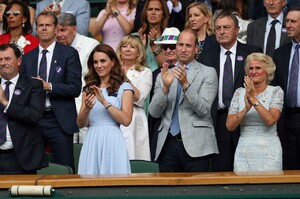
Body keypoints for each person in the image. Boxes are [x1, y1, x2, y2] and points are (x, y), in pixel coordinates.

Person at [198, 11, 262, 172]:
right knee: (221, 171)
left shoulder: (252, 52)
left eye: (226, 27)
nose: (221, 31)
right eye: (218, 28)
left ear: (237, 30)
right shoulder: (206, 57)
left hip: (246, 119)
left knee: (248, 169)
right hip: (218, 120)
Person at [148, 28, 219, 172]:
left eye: (188, 45)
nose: (183, 49)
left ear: (196, 48)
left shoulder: (208, 72)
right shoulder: (164, 73)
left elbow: (204, 109)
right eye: (180, 45)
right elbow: (153, 112)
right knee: (168, 193)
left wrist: (186, 85)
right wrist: (165, 88)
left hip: (197, 145)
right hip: (167, 144)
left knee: (195, 193)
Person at [20, 11, 82, 173]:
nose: (44, 29)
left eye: (48, 25)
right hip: (34, 120)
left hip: (59, 121)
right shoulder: (27, 57)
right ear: (36, 29)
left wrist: (49, 86)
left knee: (65, 169)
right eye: (41, 25)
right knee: (32, 170)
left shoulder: (69, 53)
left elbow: (75, 88)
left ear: (56, 29)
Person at [77, 44, 133, 175]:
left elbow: (126, 120)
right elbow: (80, 124)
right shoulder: (89, 88)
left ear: (113, 62)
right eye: (95, 62)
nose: (99, 65)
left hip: (113, 140)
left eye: (103, 61)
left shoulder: (124, 87)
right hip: (92, 140)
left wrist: (104, 102)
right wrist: (86, 108)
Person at [226, 52, 283, 172]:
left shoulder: (276, 91)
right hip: (244, 151)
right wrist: (246, 109)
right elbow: (230, 126)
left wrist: (253, 99)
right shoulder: (239, 93)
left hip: (269, 151)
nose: (253, 71)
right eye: (251, 68)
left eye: (258, 68)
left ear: (267, 71)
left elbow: (270, 120)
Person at [0, 43, 47, 174]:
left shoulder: (33, 85)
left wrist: (5, 102)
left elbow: (34, 115)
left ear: (19, 60)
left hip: (21, 158)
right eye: (0, 59)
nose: (3, 63)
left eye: (7, 59)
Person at [56, 13, 99, 144]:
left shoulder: (91, 44)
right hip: (63, 103)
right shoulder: (54, 48)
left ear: (74, 29)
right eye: (56, 30)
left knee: (87, 144)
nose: (58, 34)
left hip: (87, 101)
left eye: (63, 30)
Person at [272, 6, 300, 170]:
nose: (288, 25)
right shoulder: (279, 53)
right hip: (286, 119)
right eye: (287, 21)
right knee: (289, 167)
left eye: (293, 22)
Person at [116, 35, 152, 161]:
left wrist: (125, 78)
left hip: (134, 117)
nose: (127, 49)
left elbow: (140, 98)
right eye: (124, 46)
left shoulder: (145, 72)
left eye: (132, 47)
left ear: (139, 53)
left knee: (133, 157)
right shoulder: (110, 70)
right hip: (113, 114)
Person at [148, 27, 180, 160]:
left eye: (172, 47)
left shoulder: (192, 70)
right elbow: (153, 111)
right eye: (165, 47)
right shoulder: (156, 74)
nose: (168, 51)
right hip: (163, 135)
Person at [138, 0, 169, 72]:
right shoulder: (136, 37)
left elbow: (168, 67)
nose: (153, 13)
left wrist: (154, 46)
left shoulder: (169, 38)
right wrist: (141, 47)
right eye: (150, 9)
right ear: (146, 13)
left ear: (163, 15)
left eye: (157, 9)